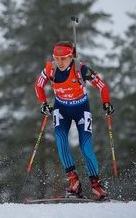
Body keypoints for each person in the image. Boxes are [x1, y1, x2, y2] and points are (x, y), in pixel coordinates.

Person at [34, 41, 114, 200]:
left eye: (63, 58)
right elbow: (38, 86)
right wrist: (44, 104)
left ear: (71, 56)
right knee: (61, 141)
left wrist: (106, 102)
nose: (59, 62)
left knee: (86, 147)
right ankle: (74, 184)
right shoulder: (50, 69)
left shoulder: (81, 69)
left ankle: (96, 186)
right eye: (56, 58)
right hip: (61, 109)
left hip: (81, 109)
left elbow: (102, 86)